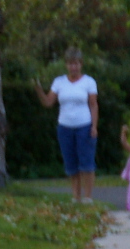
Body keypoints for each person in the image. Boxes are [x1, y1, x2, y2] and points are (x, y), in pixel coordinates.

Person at [35, 48, 99, 202]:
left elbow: (93, 105)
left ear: (81, 64)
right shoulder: (59, 82)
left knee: (86, 162)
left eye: (76, 64)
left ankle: (88, 197)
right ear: (66, 65)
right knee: (71, 163)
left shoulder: (88, 82)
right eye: (70, 64)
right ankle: (76, 196)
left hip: (84, 126)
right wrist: (39, 90)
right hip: (65, 127)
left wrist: (94, 126)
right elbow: (48, 102)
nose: (73, 67)